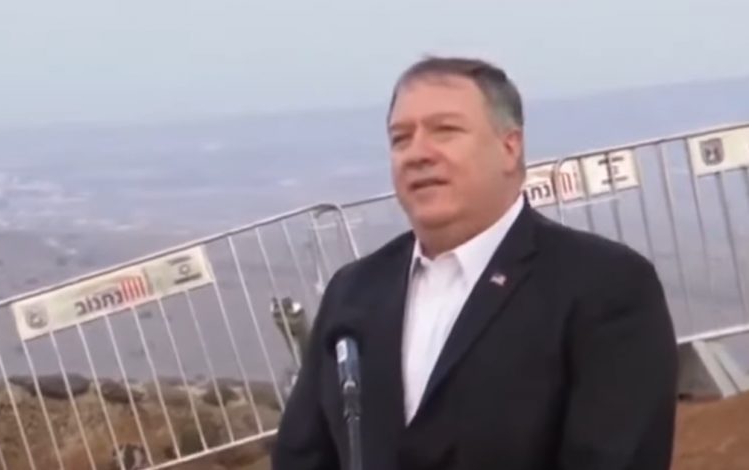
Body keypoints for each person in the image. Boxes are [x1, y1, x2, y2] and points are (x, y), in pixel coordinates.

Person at [272, 56, 679, 469]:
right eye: (401, 138)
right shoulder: (353, 293)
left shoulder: (605, 286)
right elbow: (300, 455)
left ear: (509, 147)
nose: (417, 153)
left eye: (445, 131)